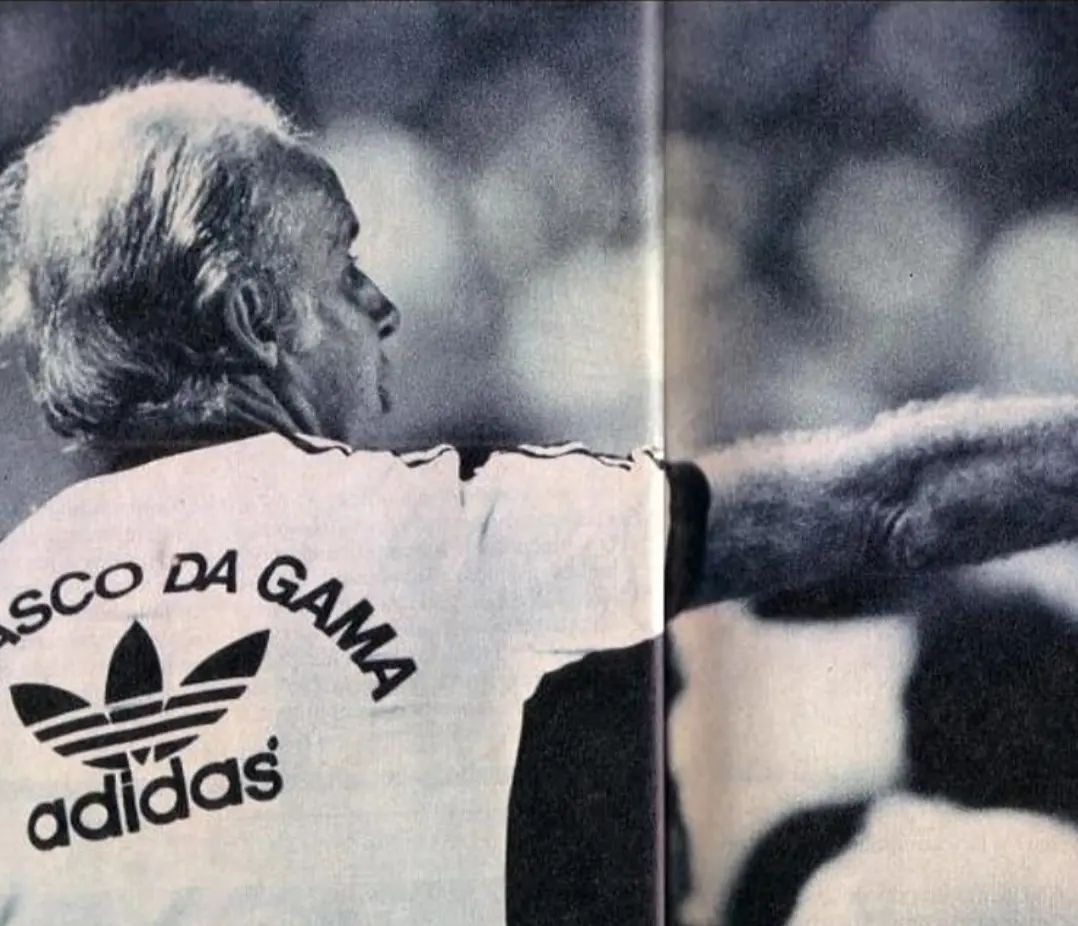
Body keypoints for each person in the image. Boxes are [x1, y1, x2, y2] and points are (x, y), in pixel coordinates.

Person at [2, 75, 1078, 925]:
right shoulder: (443, 527)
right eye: (340, 267)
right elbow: (893, 499)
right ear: (253, 318)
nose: (378, 306)